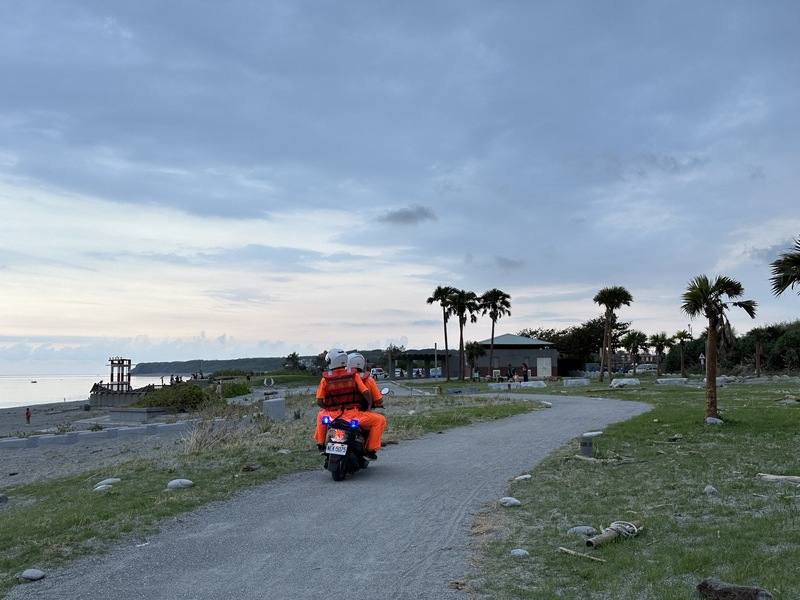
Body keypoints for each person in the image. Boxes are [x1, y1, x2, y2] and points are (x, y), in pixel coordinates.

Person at [314, 349, 385, 460]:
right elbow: (366, 393)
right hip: (353, 414)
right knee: (380, 420)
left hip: (332, 416)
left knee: (320, 415)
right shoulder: (354, 376)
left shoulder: (325, 379)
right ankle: (370, 450)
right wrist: (369, 406)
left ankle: (321, 444)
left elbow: (319, 401)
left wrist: (327, 408)